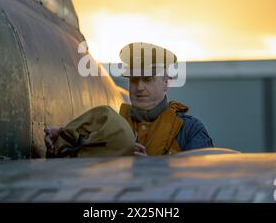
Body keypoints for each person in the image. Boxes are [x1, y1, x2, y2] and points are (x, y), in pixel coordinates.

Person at [45, 42, 214, 157]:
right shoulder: (107, 125)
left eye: (147, 80)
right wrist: (60, 140)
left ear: (165, 83)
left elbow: (202, 181)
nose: (139, 87)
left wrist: (152, 169)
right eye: (134, 80)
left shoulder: (190, 130)